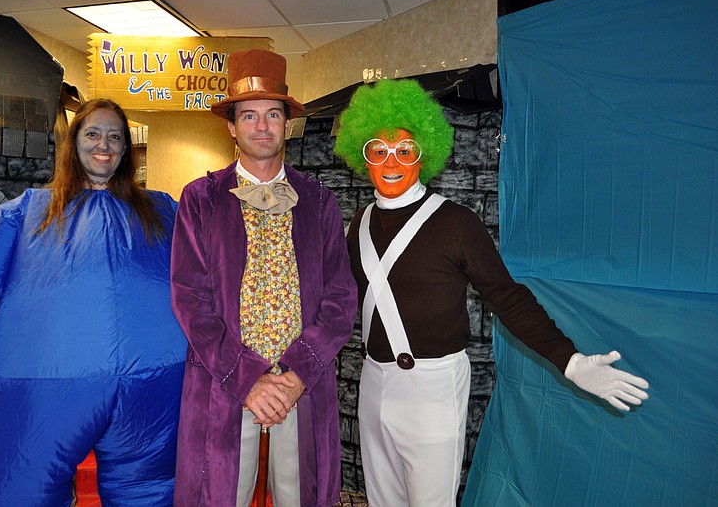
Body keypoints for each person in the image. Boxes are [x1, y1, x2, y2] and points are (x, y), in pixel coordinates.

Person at [333, 79, 650, 507]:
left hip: (432, 386)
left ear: (423, 156)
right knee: (382, 500)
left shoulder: (456, 224)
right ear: (362, 156)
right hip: (373, 382)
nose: (392, 161)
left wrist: (569, 360)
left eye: (405, 150)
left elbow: (508, 298)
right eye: (379, 149)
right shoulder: (358, 226)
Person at [0, 98, 186, 506]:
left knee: (153, 492)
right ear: (74, 144)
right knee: (18, 486)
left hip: (153, 388)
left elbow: (209, 273)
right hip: (43, 388)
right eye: (93, 134)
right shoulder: (30, 212)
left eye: (114, 137)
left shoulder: (161, 211)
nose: (103, 144)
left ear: (125, 150)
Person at [170, 49, 357, 507]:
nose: (261, 126)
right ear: (231, 126)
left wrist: (296, 375)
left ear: (287, 124)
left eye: (273, 114)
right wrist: (248, 378)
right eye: (248, 115)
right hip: (226, 379)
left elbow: (340, 298)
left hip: (301, 382)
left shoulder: (318, 201)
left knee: (302, 495)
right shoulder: (201, 199)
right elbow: (189, 297)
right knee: (220, 495)